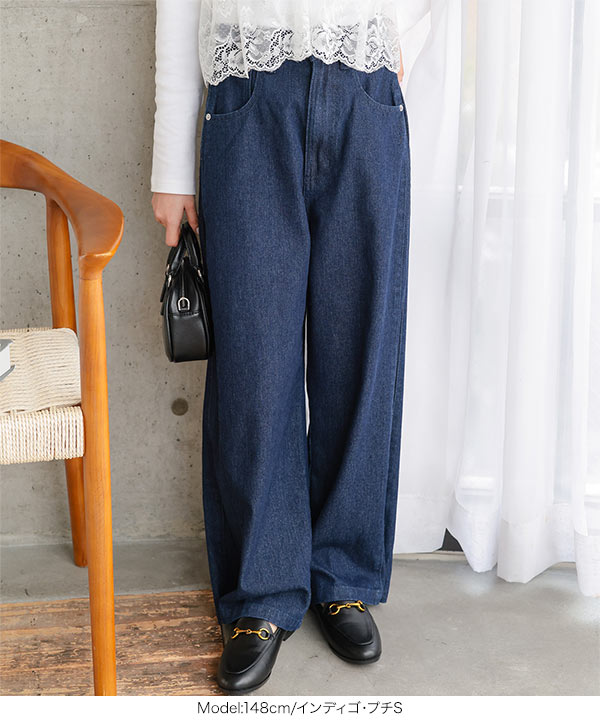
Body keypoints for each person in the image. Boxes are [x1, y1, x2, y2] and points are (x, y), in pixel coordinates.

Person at [151, 0, 428, 694]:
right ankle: (261, 592)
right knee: (253, 364)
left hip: (365, 91)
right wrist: (171, 167)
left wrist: (402, 40)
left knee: (361, 354)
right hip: (248, 98)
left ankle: (343, 575)